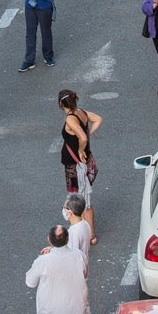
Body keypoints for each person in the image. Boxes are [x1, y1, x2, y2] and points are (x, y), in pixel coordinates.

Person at [58, 90, 101, 243]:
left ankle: (90, 235)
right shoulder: (81, 112)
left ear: (60, 104)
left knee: (83, 201)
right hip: (82, 162)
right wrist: (88, 136)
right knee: (82, 198)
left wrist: (80, 149)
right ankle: (86, 232)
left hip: (75, 165)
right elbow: (98, 119)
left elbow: (81, 137)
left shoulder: (70, 119)